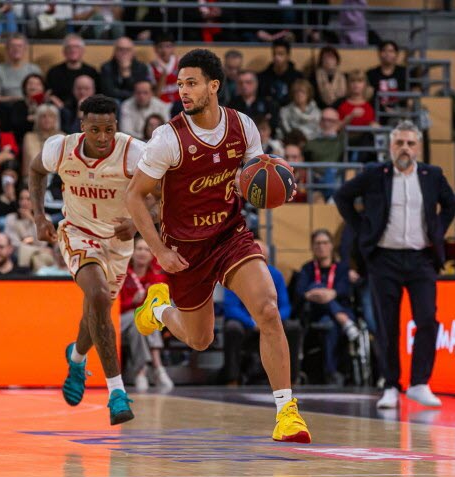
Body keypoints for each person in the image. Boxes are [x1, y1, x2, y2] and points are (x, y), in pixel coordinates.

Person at [125, 49, 311, 443]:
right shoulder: (167, 139)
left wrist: (275, 182)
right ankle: (159, 308)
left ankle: (287, 413)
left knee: (268, 309)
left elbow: (257, 174)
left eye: (191, 83)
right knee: (199, 339)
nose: (183, 91)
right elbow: (133, 196)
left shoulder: (243, 126)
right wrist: (158, 250)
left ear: (214, 86)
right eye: (179, 84)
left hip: (230, 236)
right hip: (185, 249)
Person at [27, 94, 148, 426]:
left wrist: (137, 222)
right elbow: (36, 171)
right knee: (96, 296)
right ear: (83, 127)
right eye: (95, 130)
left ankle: (77, 358)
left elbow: (164, 195)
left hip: (119, 241)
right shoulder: (60, 148)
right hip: (77, 231)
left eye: (109, 129)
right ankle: (116, 392)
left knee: (97, 313)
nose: (103, 138)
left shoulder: (133, 153)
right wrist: (39, 217)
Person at [334, 120, 455, 409]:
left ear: (419, 147)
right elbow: (343, 197)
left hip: (421, 258)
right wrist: (364, 229)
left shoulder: (432, 175)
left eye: (410, 143)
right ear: (390, 146)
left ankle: (419, 383)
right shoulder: (375, 174)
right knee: (387, 325)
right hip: (384, 258)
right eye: (399, 143)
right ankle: (391, 385)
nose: (405, 148)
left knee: (427, 319)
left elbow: (450, 204)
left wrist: (437, 231)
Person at [221, 238, 303, 386]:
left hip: (270, 320)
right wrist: (252, 322)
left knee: (293, 327)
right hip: (247, 324)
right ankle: (232, 378)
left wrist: (272, 320)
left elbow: (285, 306)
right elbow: (230, 307)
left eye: (261, 258)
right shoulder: (235, 273)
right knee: (232, 328)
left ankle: (291, 378)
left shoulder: (276, 275)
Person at [295, 229, 361, 386]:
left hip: (336, 313)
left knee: (329, 324)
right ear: (312, 247)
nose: (321, 247)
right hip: (315, 312)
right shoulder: (307, 268)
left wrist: (327, 294)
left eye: (325, 243)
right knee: (316, 285)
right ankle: (344, 321)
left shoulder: (342, 269)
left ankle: (331, 372)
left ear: (331, 246)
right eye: (317, 243)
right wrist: (325, 294)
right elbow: (300, 291)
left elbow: (344, 290)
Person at [119, 237, 174, 391]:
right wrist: (132, 302)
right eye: (139, 249)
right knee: (140, 317)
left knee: (141, 323)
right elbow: (114, 308)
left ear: (152, 255)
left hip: (140, 325)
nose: (142, 253)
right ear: (132, 252)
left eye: (146, 249)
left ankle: (141, 373)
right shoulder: (121, 275)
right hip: (119, 322)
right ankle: (158, 367)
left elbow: (162, 305)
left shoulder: (158, 278)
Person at [3, 188, 55, 270]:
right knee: (34, 256)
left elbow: (42, 242)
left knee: (37, 258)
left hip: (38, 254)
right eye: (21, 199)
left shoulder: (45, 218)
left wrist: (32, 219)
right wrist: (39, 250)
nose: (24, 202)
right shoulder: (11, 218)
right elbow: (14, 244)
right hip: (19, 254)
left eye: (28, 199)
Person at [45, 34, 100, 110]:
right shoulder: (53, 72)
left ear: (83, 50)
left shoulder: (92, 72)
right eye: (69, 47)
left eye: (76, 47)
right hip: (59, 110)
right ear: (64, 51)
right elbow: (49, 94)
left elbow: (98, 95)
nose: (72, 50)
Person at [0, 33, 42, 104]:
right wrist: (16, 99)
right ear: (7, 49)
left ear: (25, 49)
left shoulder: (34, 69)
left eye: (20, 46)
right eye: (12, 46)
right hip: (6, 108)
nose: (16, 49)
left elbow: (40, 94)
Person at [100, 37, 153, 103]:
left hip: (136, 101)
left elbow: (140, 90)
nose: (124, 52)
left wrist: (126, 75)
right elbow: (108, 92)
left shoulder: (141, 67)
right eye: (120, 49)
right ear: (115, 52)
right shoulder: (106, 67)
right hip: (115, 101)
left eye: (128, 50)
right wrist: (131, 94)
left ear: (133, 52)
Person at [366, 41, 408, 123]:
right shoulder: (371, 73)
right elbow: (369, 96)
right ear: (379, 54)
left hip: (401, 110)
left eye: (391, 51)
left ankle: (422, 135)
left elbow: (415, 88)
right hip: (378, 109)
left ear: (397, 54)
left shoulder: (404, 72)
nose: (387, 54)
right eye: (384, 51)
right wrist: (383, 108)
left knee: (421, 112)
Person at [258, 40, 304, 108]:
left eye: (280, 54)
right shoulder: (263, 76)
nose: (277, 57)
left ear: (288, 56)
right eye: (274, 54)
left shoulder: (298, 77)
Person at [149, 32, 180, 103]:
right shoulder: (150, 67)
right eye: (160, 46)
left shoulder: (180, 63)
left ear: (173, 48)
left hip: (178, 103)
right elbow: (156, 95)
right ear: (155, 48)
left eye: (168, 46)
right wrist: (164, 73)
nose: (164, 50)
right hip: (160, 103)